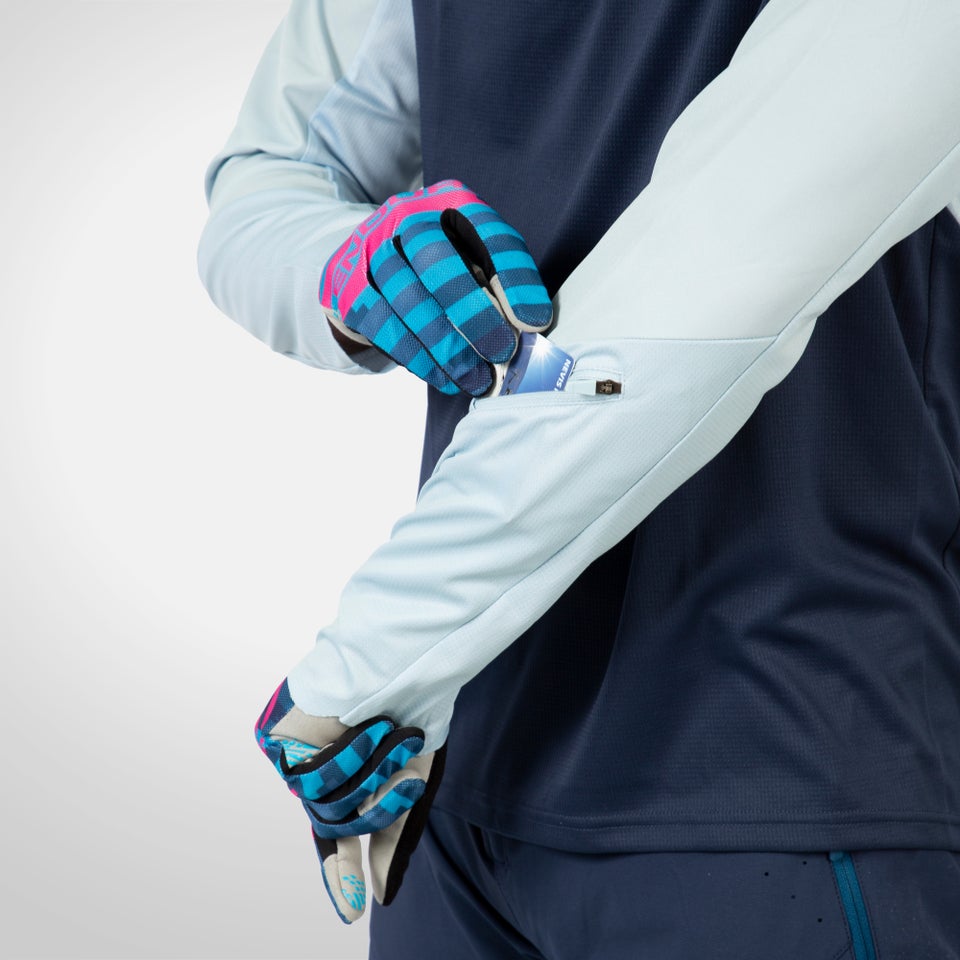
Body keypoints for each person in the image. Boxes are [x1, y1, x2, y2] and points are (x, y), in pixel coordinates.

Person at [198, 1, 960, 957]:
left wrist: (367, 670)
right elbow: (268, 174)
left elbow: (702, 294)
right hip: (441, 783)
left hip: (773, 764)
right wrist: (345, 267)